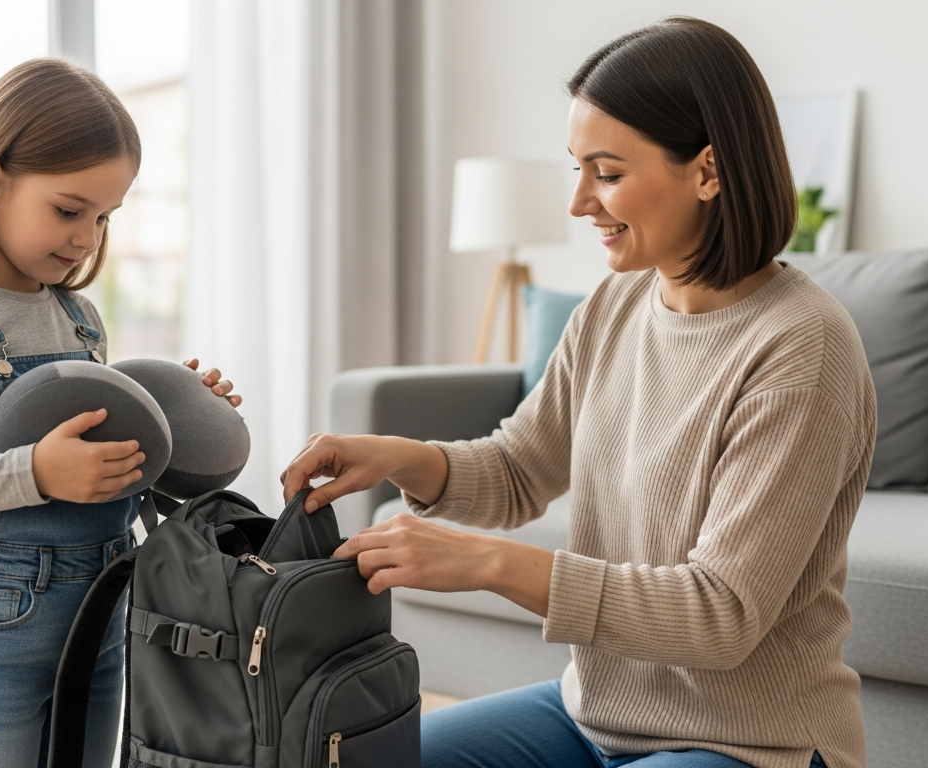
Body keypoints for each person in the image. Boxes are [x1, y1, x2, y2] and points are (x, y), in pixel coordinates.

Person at [280, 17, 875, 768]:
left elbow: (721, 614)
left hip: (755, 743)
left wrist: (488, 563)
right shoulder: (615, 305)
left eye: (609, 172)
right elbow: (522, 468)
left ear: (709, 171)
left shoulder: (802, 346)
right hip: (591, 715)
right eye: (578, 169)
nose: (580, 204)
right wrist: (399, 456)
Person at [0, 59, 239, 768]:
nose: (87, 238)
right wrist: (34, 471)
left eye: (104, 217)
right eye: (69, 210)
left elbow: (112, 474)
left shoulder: (81, 317)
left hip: (103, 604)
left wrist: (181, 425)